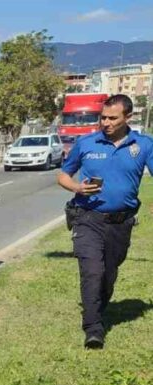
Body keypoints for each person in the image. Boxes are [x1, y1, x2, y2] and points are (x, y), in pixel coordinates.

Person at [57, 94, 153, 349]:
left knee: (108, 275)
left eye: (112, 118)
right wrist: (77, 187)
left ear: (128, 117)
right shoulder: (86, 142)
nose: (106, 123)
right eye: (103, 117)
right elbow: (63, 175)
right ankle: (93, 329)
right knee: (92, 271)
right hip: (87, 217)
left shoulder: (143, 145)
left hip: (121, 223)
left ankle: (98, 306)